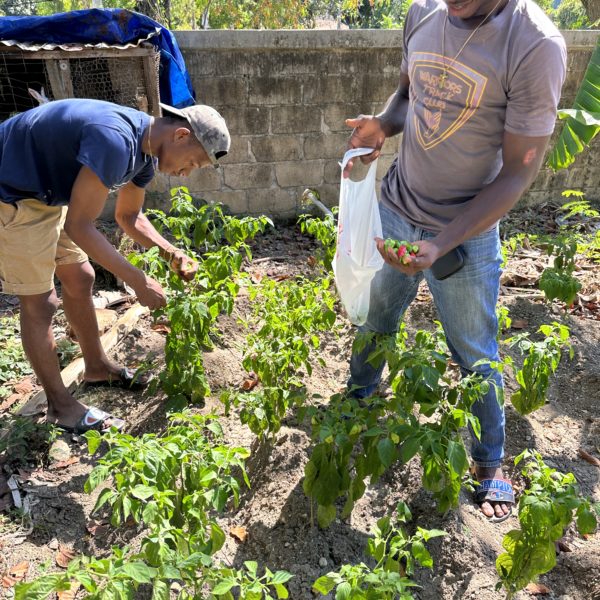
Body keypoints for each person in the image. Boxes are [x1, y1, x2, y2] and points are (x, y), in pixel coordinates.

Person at [343, 0, 566, 522]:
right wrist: (382, 125)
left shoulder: (533, 44)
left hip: (467, 229)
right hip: (397, 207)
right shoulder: (423, 12)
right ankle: (357, 398)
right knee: (377, 320)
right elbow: (406, 95)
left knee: (473, 349)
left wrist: (442, 242)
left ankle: (489, 463)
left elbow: (516, 175)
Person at [0, 98, 231, 434]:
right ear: (181, 135)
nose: (184, 174)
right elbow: (79, 226)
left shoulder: (146, 153)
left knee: (80, 276)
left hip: (45, 194)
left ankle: (96, 367)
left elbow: (129, 216)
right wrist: (138, 281)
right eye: (192, 163)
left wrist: (171, 253)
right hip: (13, 194)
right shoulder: (116, 139)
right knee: (40, 302)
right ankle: (60, 406)